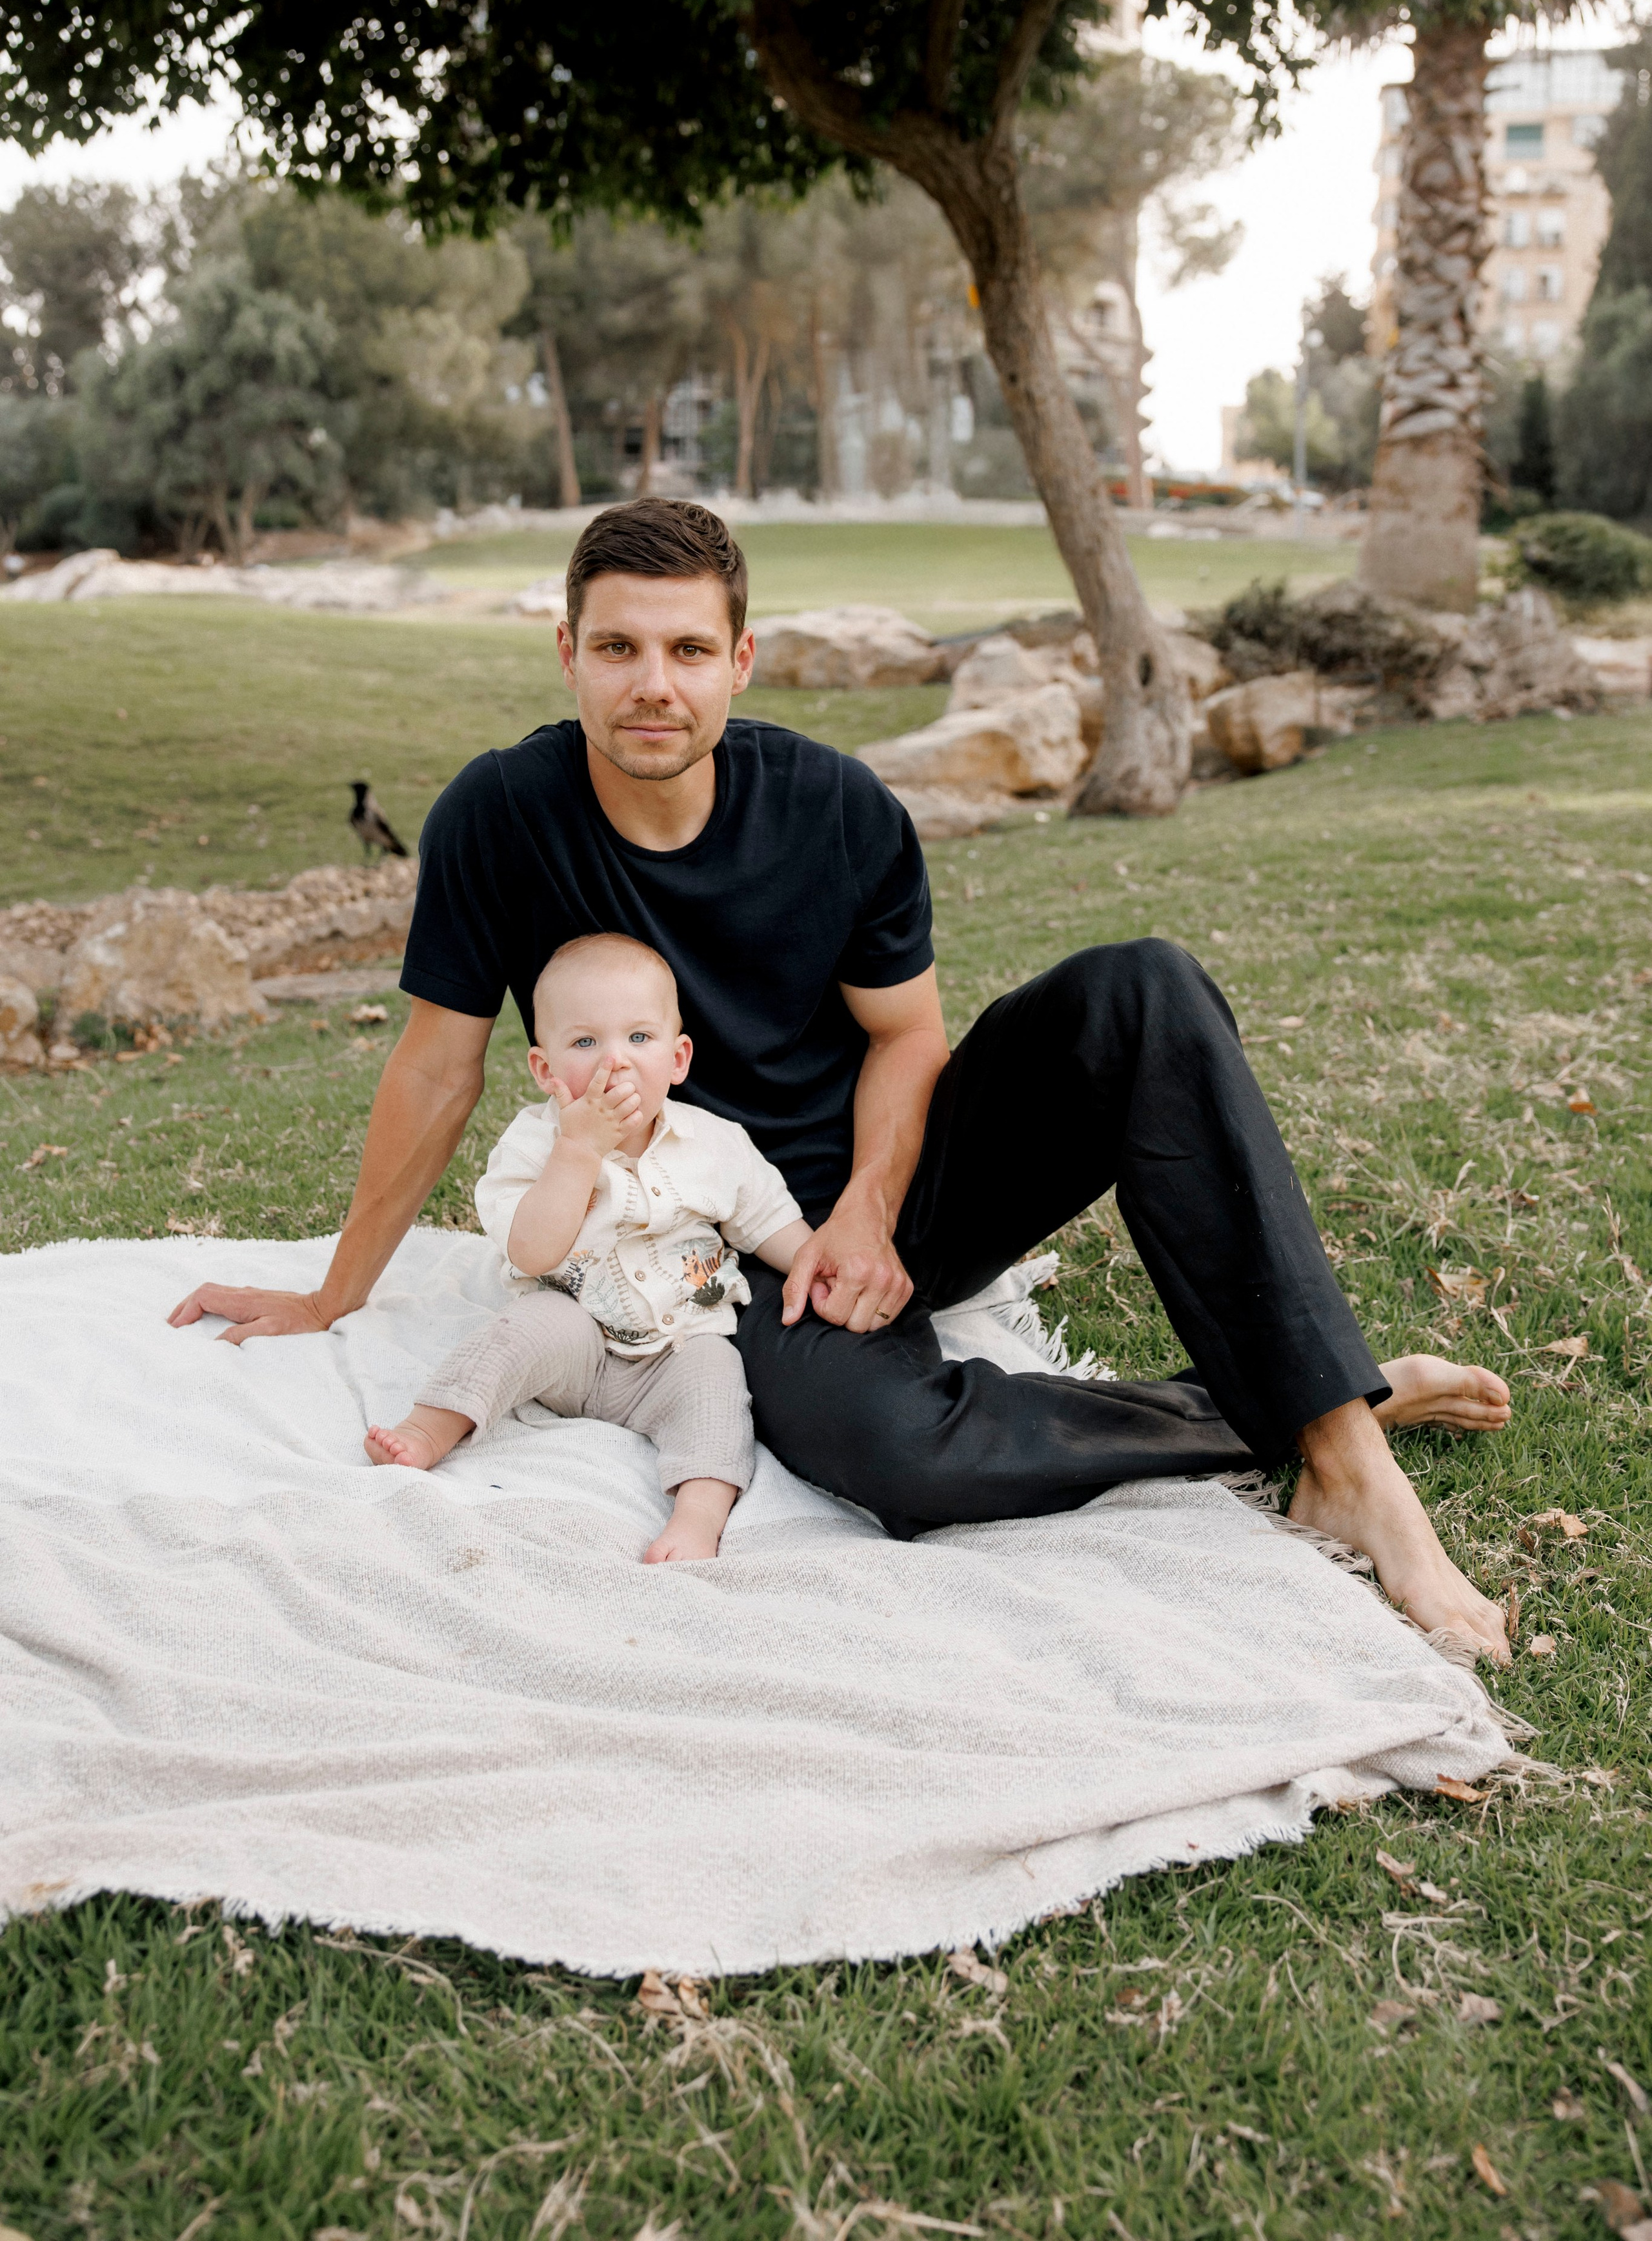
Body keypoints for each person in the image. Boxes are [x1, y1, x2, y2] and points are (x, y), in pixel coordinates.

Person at [170, 498, 1515, 1661]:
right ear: (567, 653)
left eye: (690, 649)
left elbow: (906, 1037)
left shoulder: (838, 809)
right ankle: (1310, 1392)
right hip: (707, 1248)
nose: (655, 683)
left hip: (888, 1188)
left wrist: (872, 1205)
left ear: (740, 659)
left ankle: (1349, 1464)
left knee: (1142, 989)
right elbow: (434, 1068)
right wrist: (332, 1291)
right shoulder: (498, 818)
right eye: (621, 647)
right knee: (902, 1460)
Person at [363, 931, 811, 1563]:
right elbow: (533, 1253)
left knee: (717, 1386)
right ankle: (431, 1425)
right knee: (525, 1328)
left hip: (676, 1350)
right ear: (545, 1071)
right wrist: (578, 1151)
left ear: (678, 1059)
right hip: (572, 1348)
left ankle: (698, 1518)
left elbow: (767, 1221)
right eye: (584, 1042)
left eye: (638, 1038)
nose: (615, 1062)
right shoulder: (532, 1146)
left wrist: (815, 1262)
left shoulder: (715, 1143)